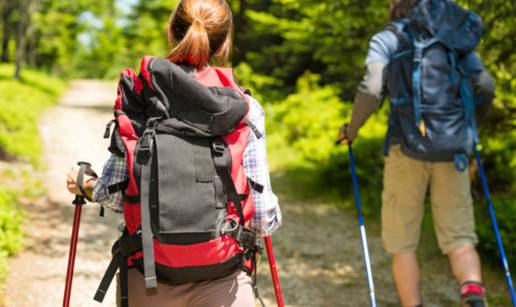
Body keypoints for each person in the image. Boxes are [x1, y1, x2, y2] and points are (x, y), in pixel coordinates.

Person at [66, 0, 282, 306]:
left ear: (172, 32)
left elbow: (115, 196)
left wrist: (85, 184)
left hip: (151, 280)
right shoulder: (244, 108)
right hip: (224, 280)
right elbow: (261, 217)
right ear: (224, 43)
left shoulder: (140, 96)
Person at [338, 0, 495, 306]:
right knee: (460, 239)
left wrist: (351, 129)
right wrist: (467, 131)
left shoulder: (389, 38)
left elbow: (371, 89)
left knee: (403, 244)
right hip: (454, 151)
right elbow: (485, 86)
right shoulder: (452, 35)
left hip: (405, 149)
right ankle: (474, 295)